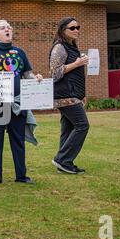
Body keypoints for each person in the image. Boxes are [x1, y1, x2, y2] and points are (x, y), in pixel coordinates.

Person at [0, 20, 43, 185]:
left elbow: (27, 74)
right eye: (2, 27)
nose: (7, 29)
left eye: (9, 27)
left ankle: (21, 176)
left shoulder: (20, 52)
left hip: (18, 103)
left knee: (18, 140)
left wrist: (37, 79)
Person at [49, 17, 90, 174]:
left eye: (77, 27)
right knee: (82, 125)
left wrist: (82, 94)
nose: (76, 30)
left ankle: (64, 164)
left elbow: (77, 75)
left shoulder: (72, 48)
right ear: (62, 31)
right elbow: (55, 73)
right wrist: (77, 63)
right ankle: (62, 159)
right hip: (65, 94)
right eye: (72, 28)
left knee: (68, 129)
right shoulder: (59, 47)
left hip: (74, 94)